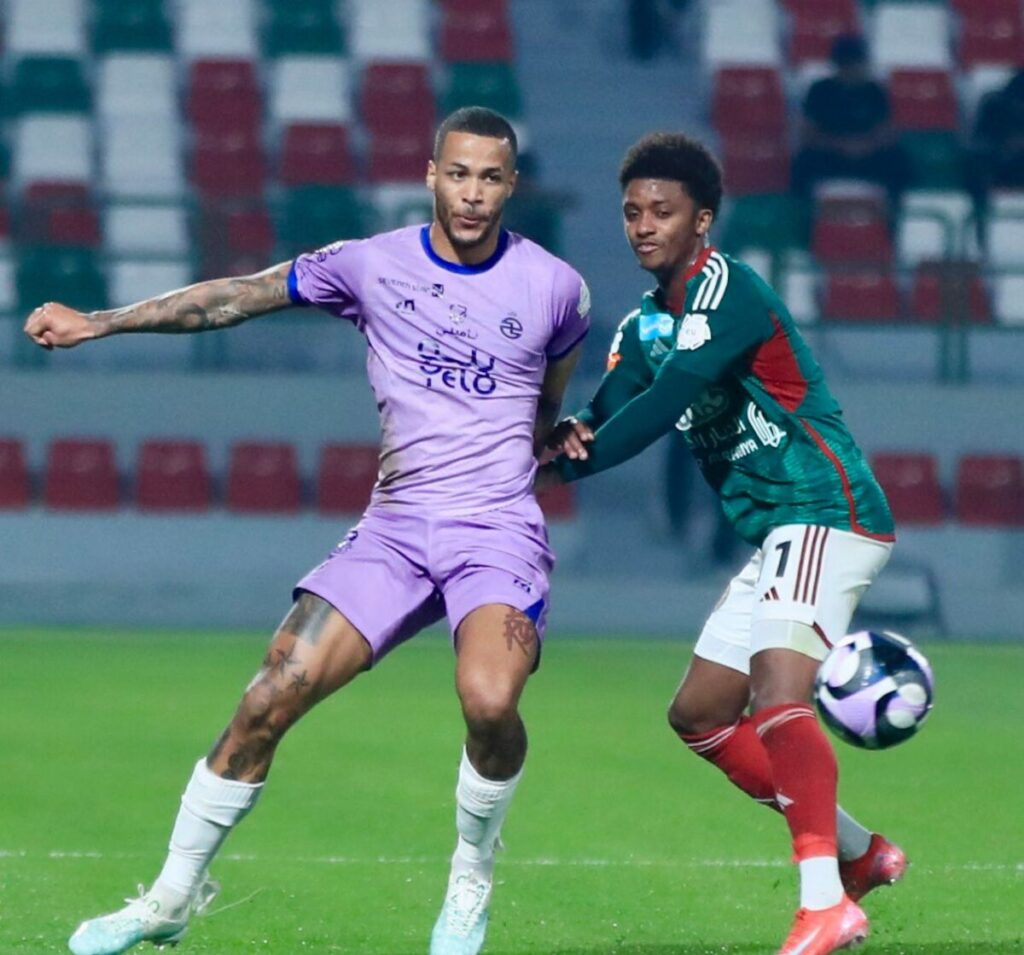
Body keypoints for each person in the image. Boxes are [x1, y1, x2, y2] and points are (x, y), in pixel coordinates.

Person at [25, 106, 590, 955]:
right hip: (395, 530)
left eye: (493, 177)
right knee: (267, 696)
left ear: (514, 185)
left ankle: (471, 871)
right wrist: (101, 320)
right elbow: (236, 297)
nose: (474, 194)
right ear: (431, 174)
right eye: (460, 173)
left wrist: (549, 437)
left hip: (496, 530)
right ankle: (170, 900)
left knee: (489, 698)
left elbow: (547, 399)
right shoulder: (370, 265)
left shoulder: (556, 286)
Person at [537, 132, 904, 955]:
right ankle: (860, 853)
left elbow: (664, 405)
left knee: (778, 697)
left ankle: (825, 907)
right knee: (701, 713)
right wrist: (549, 447)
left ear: (701, 219)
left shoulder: (729, 290)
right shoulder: (639, 326)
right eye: (631, 212)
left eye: (661, 211)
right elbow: (604, 416)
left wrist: (552, 477)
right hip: (777, 531)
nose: (642, 226)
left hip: (824, 509)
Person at [791, 33, 911, 204]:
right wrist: (840, 145)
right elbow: (807, 133)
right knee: (803, 164)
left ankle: (893, 216)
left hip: (868, 154)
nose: (852, 69)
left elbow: (887, 132)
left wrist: (864, 145)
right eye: (847, 64)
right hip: (831, 155)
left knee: (898, 161)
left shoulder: (874, 91)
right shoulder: (819, 91)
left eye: (856, 64)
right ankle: (803, 217)